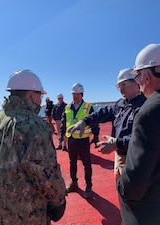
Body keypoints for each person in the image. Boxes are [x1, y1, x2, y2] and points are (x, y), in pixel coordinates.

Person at [67, 69, 146, 220]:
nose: (121, 89)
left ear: (137, 82)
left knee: (136, 198)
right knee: (122, 193)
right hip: (119, 157)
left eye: (124, 84)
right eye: (118, 86)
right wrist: (84, 122)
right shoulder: (120, 104)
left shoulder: (145, 106)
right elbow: (101, 113)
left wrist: (118, 143)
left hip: (135, 160)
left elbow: (143, 139)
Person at [0, 69, 66, 225]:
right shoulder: (34, 125)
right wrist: (58, 201)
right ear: (31, 95)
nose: (41, 100)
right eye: (40, 95)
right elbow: (45, 173)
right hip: (27, 215)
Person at [117, 44, 160, 225]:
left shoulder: (149, 112)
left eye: (138, 77)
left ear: (147, 77)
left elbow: (134, 183)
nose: (139, 83)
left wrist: (121, 186)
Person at [59, 83, 99, 199]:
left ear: (81, 94)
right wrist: (62, 136)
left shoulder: (88, 107)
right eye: (73, 94)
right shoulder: (67, 107)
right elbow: (64, 122)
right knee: (72, 163)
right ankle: (74, 183)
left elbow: (94, 121)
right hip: (71, 140)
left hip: (83, 140)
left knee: (87, 164)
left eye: (76, 94)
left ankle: (88, 186)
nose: (74, 96)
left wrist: (96, 136)